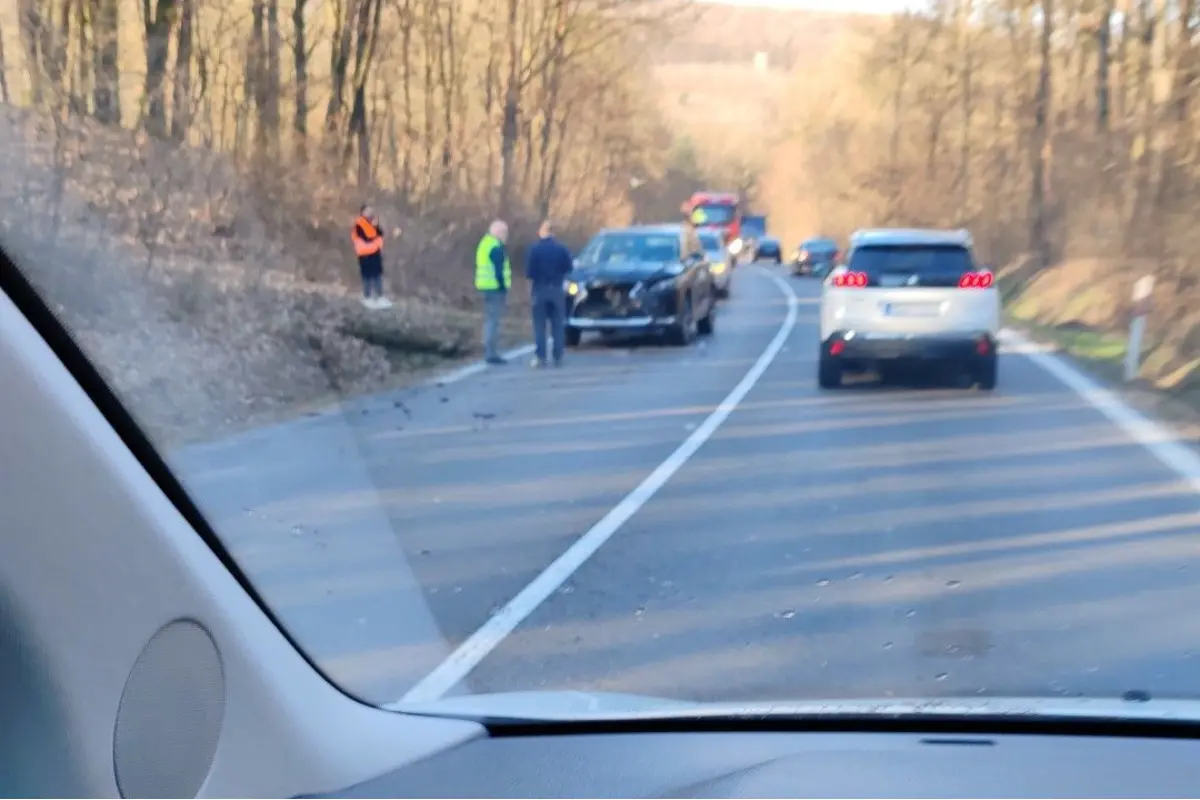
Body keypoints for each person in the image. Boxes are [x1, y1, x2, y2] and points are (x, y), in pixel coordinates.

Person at [524, 219, 574, 368]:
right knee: (558, 324)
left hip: (539, 289)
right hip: (557, 289)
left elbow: (529, 272)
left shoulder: (534, 249)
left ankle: (541, 357)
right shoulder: (562, 249)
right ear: (553, 233)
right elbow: (569, 268)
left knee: (540, 325)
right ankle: (558, 356)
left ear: (541, 232)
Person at [475, 219, 512, 365]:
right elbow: (498, 271)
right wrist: (503, 287)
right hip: (495, 289)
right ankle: (491, 353)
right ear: (498, 232)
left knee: (490, 320)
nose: (506, 236)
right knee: (493, 322)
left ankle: (489, 351)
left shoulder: (484, 243)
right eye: (505, 232)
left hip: (485, 287)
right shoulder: (495, 247)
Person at [351, 205, 393, 309]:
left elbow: (381, 234)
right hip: (365, 255)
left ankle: (380, 297)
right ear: (362, 212)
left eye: (371, 211)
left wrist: (376, 227)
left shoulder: (373, 223)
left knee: (377, 276)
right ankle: (367, 298)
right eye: (367, 211)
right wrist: (377, 240)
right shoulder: (358, 225)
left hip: (375, 254)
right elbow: (367, 238)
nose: (370, 213)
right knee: (367, 277)